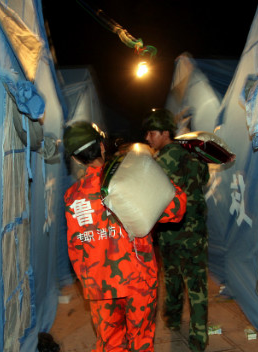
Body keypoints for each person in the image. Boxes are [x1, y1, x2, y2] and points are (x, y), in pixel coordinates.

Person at [63, 121, 187, 352]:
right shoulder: (130, 176)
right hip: (138, 280)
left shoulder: (72, 197)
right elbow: (176, 209)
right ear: (102, 146)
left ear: (76, 159)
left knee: (110, 344)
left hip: (99, 285)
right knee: (141, 342)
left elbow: (75, 247)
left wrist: (88, 283)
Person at [142, 108, 210, 352]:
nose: (148, 138)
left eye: (151, 133)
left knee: (171, 277)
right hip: (197, 231)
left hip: (172, 231)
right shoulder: (194, 155)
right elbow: (204, 179)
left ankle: (172, 319)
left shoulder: (159, 163)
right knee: (197, 285)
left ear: (165, 133)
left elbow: (150, 197)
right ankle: (199, 338)